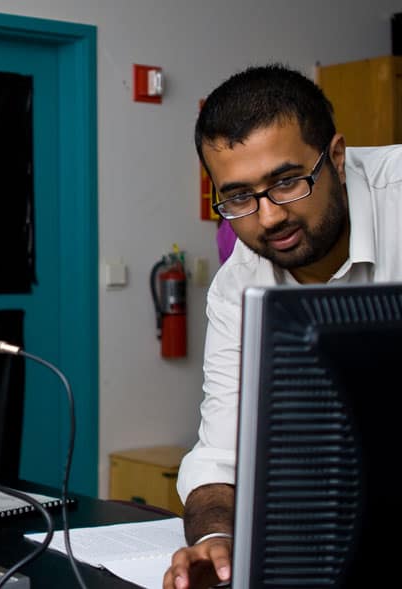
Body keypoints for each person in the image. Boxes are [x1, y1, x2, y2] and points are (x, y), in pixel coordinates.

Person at [163, 64, 402, 589]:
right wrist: (213, 543)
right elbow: (219, 459)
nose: (268, 218)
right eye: (240, 197)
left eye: (287, 182)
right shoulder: (237, 288)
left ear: (336, 157)